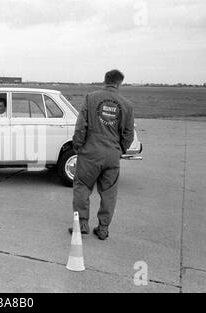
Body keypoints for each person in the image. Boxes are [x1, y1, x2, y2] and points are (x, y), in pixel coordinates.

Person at [68, 69, 134, 240]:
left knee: (82, 187)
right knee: (109, 193)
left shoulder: (91, 98)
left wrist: (78, 145)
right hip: (112, 154)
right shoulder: (127, 105)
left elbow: (81, 125)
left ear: (105, 80)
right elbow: (128, 134)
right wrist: (120, 150)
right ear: (120, 83)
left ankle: (82, 224)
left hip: (90, 152)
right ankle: (103, 228)